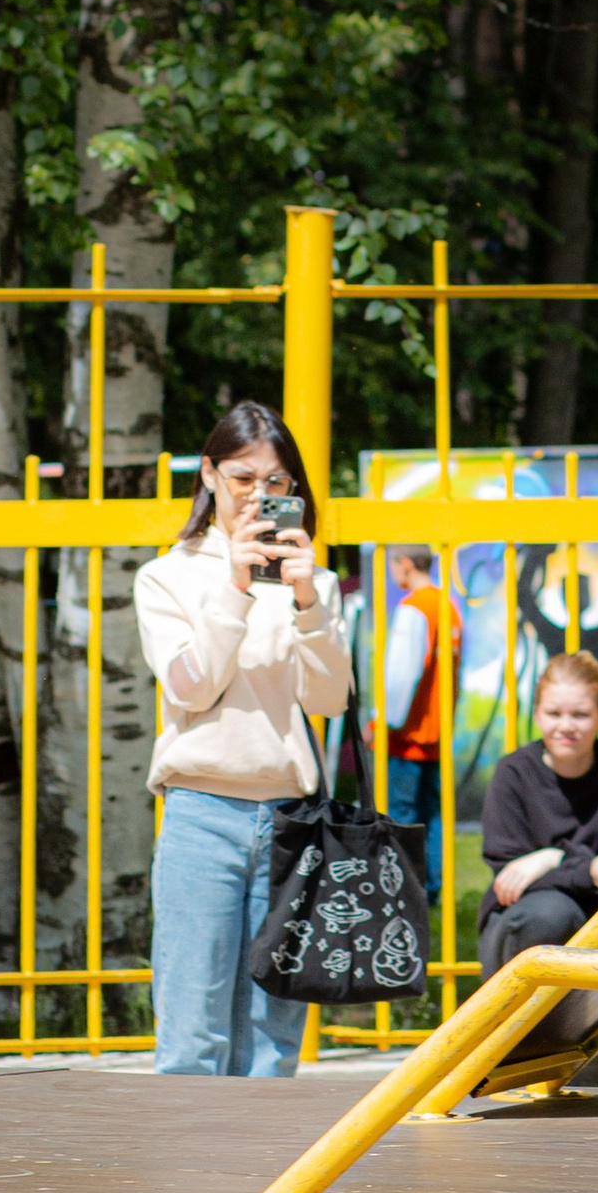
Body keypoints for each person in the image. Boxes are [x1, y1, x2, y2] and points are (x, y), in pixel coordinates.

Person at [134, 400, 355, 1078]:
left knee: (271, 1036)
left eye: (277, 482)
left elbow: (327, 700)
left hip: (290, 818)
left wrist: (308, 603)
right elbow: (190, 687)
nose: (260, 496)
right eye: (242, 478)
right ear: (208, 475)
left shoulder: (311, 583)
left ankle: (267, 1179)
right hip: (202, 811)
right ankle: (191, 1183)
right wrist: (235, 587)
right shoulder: (167, 576)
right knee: (193, 1034)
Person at [477, 651, 598, 977]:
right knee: (552, 913)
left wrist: (552, 859)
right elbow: (510, 877)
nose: (566, 726)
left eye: (580, 714)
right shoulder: (514, 773)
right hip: (524, 923)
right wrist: (587, 870)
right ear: (536, 714)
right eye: (554, 713)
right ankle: (524, 1022)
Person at [376, 540, 463, 897]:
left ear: (405, 564)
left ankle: (405, 889)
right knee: (433, 816)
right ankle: (432, 888)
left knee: (402, 816)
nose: (393, 573)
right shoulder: (447, 606)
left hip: (408, 735)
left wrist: (381, 723)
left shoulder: (414, 607)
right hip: (438, 732)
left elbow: (401, 674)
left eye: (394, 565)